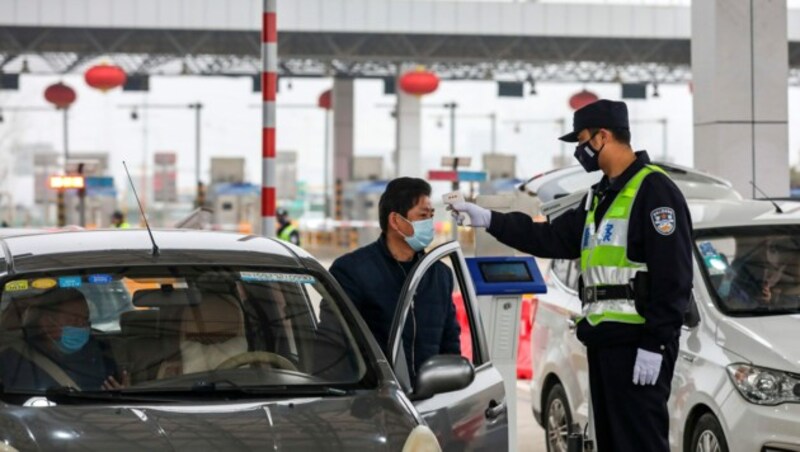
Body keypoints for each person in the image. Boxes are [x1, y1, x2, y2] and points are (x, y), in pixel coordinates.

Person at [452, 100, 692, 452]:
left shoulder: (654, 191)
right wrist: (489, 220)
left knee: (639, 442)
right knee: (612, 442)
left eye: (582, 141)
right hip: (603, 341)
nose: (580, 151)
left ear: (603, 136)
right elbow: (551, 237)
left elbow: (674, 276)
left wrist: (654, 343)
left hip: (637, 343)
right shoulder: (599, 196)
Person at [329, 177, 460, 378]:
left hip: (431, 401)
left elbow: (450, 344)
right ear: (396, 221)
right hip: (377, 400)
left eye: (431, 215)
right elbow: (334, 345)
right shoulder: (352, 271)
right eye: (423, 216)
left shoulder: (439, 275)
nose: (429, 223)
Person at [0, 288, 127, 392]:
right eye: (73, 321)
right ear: (47, 323)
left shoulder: (101, 352)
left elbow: (117, 391)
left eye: (85, 320)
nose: (82, 327)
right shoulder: (14, 360)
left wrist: (121, 394)